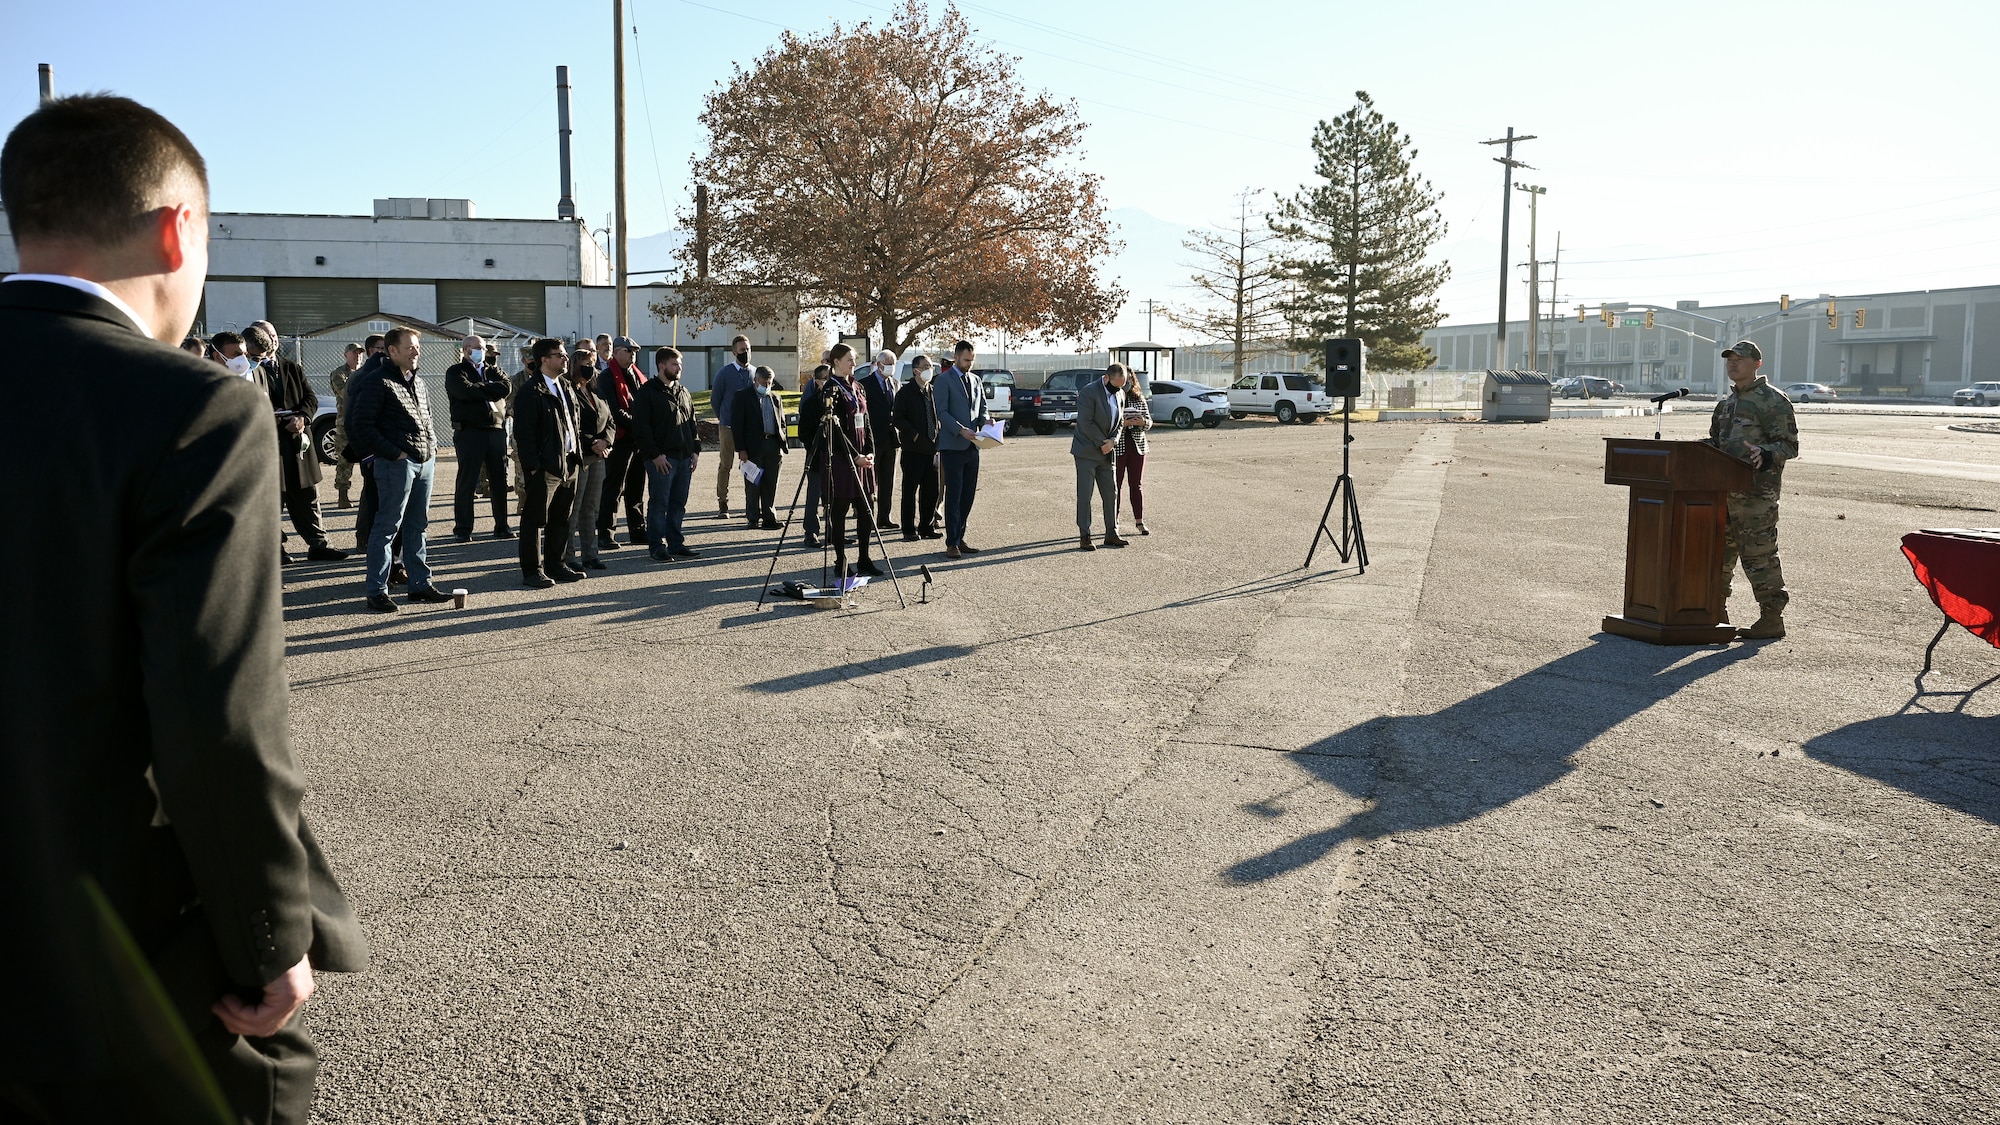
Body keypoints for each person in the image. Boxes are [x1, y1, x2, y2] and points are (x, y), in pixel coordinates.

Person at [0, 91, 366, 1125]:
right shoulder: (188, 409)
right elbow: (216, 716)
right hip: (118, 962)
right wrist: (268, 938)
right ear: (178, 228)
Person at [347, 327, 453, 611]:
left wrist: (431, 449)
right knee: (386, 527)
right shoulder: (376, 381)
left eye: (417, 346)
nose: (416, 351)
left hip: (424, 460)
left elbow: (427, 417)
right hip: (396, 465)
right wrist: (395, 453)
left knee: (418, 526)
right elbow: (360, 425)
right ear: (392, 351)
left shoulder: (417, 381)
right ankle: (376, 591)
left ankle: (420, 585)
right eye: (409, 347)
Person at [1709, 339, 1798, 639]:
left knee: (1760, 557)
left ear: (1757, 364)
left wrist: (1766, 452)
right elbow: (1717, 444)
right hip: (1723, 493)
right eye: (1729, 359)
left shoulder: (1773, 401)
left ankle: (1771, 618)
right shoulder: (1726, 405)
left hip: (1757, 496)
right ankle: (1715, 611)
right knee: (1718, 555)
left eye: (1740, 359)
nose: (1733, 364)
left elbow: (1789, 445)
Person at [246, 324, 345, 564]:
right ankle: (275, 549)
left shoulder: (291, 367)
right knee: (272, 500)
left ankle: (319, 545)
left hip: (298, 444)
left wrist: (302, 417)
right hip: (269, 445)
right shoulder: (247, 370)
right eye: (266, 336)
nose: (272, 340)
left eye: (273, 335)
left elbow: (309, 398)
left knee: (308, 496)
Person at [513, 338, 585, 587]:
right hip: (545, 466)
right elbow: (524, 433)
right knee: (534, 519)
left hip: (569, 462)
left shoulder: (565, 386)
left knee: (561, 517)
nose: (566, 358)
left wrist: (576, 456)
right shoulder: (530, 391)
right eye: (560, 355)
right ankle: (532, 570)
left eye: (565, 355)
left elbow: (572, 422)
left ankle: (557, 563)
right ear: (544, 359)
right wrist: (533, 466)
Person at [632, 346, 702, 560]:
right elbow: (641, 429)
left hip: (684, 458)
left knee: (678, 504)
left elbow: (692, 422)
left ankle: (675, 542)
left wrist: (695, 450)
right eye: (674, 363)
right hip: (662, 459)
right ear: (661, 366)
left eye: (680, 363)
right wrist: (654, 455)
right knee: (659, 503)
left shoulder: (683, 392)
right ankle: (656, 546)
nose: (679, 367)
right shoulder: (647, 393)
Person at [444, 333, 514, 542]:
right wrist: (489, 390)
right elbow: (464, 392)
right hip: (469, 431)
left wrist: (481, 388)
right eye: (477, 348)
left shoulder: (493, 370)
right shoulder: (456, 371)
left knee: (499, 480)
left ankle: (502, 525)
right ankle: (463, 528)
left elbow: (505, 387)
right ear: (466, 350)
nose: (481, 352)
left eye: (483, 348)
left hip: (495, 429)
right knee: (468, 480)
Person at [821, 344, 884, 577]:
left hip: (862, 457)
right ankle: (841, 560)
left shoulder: (858, 387)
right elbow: (834, 430)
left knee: (867, 507)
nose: (853, 363)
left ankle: (865, 558)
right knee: (840, 509)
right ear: (836, 361)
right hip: (842, 457)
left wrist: (870, 452)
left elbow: (866, 422)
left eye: (854, 359)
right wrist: (853, 456)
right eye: (849, 359)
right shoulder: (831, 389)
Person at [933, 340, 991, 559]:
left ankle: (960, 536)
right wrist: (960, 430)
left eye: (972, 360)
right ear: (956, 357)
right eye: (966, 360)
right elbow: (942, 412)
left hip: (973, 446)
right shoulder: (943, 381)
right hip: (952, 446)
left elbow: (982, 407)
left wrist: (987, 421)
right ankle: (951, 542)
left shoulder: (976, 380)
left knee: (968, 495)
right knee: (954, 495)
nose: (969, 364)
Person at [593, 335, 648, 549]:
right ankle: (606, 533)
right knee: (613, 488)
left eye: (634, 351)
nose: (632, 354)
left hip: (637, 440)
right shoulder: (607, 377)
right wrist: (640, 425)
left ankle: (637, 529)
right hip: (619, 439)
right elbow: (612, 411)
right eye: (628, 350)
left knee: (636, 487)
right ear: (616, 352)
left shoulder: (636, 375)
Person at [1072, 363, 1131, 550]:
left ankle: (1112, 533)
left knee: (1111, 493)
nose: (1119, 389)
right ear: (1106, 378)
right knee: (1085, 495)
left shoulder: (1120, 393)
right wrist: (1102, 442)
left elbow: (1120, 421)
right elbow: (1085, 423)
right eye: (1116, 385)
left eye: (1122, 385)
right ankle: (1085, 535)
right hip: (1087, 451)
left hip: (1108, 452)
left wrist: (1113, 441)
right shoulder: (1089, 392)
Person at [565, 349, 614, 571]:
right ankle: (567, 555)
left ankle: (590, 554)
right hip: (579, 456)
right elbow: (570, 424)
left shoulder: (597, 391)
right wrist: (592, 443)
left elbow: (610, 420)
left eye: (593, 363)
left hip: (598, 457)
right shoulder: (568, 390)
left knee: (591, 508)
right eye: (586, 362)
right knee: (573, 509)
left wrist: (605, 441)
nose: (590, 367)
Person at [731, 365, 788, 530]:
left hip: (773, 445)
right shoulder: (743, 396)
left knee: (771, 483)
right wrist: (741, 449)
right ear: (756, 380)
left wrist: (781, 439)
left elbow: (781, 422)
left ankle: (769, 517)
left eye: (770, 383)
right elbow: (737, 425)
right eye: (764, 382)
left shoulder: (775, 398)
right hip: (752, 447)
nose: (767, 386)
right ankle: (753, 517)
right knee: (753, 483)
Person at [892, 354, 943, 540]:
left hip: (931, 449)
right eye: (925, 366)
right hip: (913, 450)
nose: (929, 369)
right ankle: (908, 529)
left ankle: (926, 526)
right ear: (916, 370)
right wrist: (913, 434)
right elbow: (898, 418)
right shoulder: (905, 393)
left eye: (930, 365)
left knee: (931, 491)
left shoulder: (933, 391)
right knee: (909, 491)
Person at [711, 334, 755, 518]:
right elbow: (715, 400)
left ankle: (752, 504)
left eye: (748, 349)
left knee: (751, 465)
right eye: (742, 350)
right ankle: (723, 502)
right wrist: (724, 418)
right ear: (734, 352)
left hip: (749, 428)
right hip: (728, 426)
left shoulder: (754, 372)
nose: (746, 353)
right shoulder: (724, 373)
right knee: (726, 465)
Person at [860, 349, 902, 530]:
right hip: (873, 439)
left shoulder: (895, 383)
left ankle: (884, 517)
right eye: (888, 364)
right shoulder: (865, 385)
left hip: (891, 439)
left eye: (893, 364)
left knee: (888, 480)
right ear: (878, 365)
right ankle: (867, 518)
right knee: (869, 481)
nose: (891, 368)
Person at [797, 363, 833, 549]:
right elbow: (803, 432)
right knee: (814, 496)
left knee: (835, 497)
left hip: (837, 456)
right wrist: (816, 444)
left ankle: (834, 532)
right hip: (817, 455)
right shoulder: (811, 403)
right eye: (825, 379)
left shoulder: (838, 403)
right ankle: (811, 533)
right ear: (817, 382)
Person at [1114, 369, 1153, 536]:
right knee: (1115, 486)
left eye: (1129, 380)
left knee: (1136, 485)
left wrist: (1142, 421)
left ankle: (1139, 521)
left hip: (1137, 446)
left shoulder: (1139, 397)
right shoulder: (1113, 397)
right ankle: (1113, 522)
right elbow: (1107, 422)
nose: (1127, 383)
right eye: (1124, 380)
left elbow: (1149, 421)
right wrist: (1122, 424)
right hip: (1118, 446)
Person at [328, 342, 363, 506]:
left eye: (360, 353)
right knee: (344, 460)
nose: (358, 356)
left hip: (365, 423)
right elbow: (346, 393)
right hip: (346, 425)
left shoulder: (366, 373)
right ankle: (343, 495)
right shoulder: (339, 374)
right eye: (354, 353)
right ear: (346, 355)